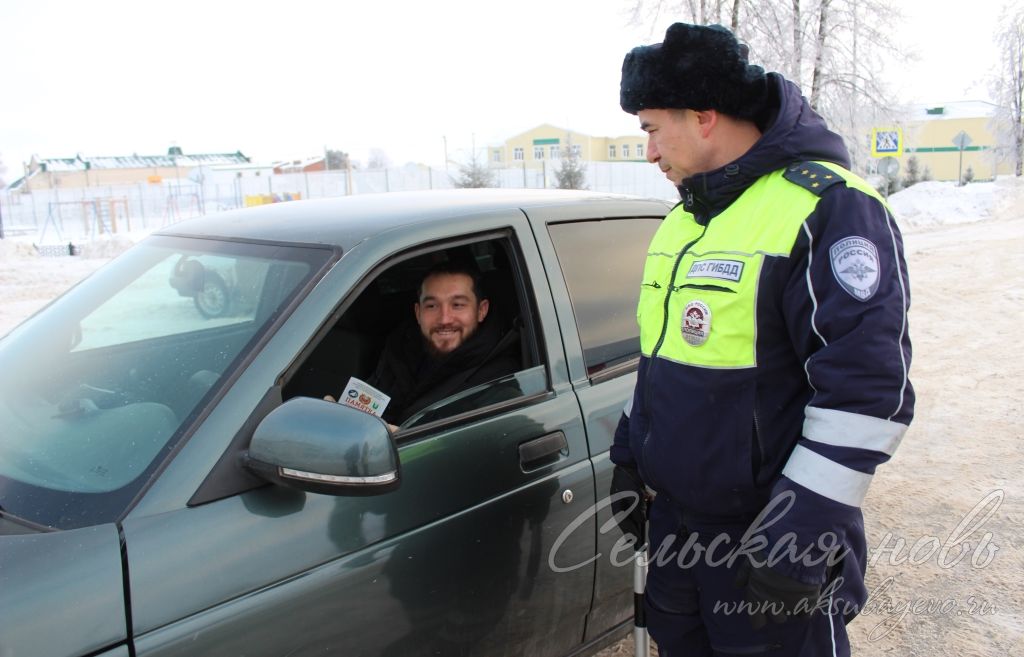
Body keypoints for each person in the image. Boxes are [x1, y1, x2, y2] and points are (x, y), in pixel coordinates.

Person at [608, 23, 914, 657]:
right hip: (678, 537)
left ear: (705, 116)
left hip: (768, 537)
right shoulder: (684, 221)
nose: (649, 151)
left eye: (651, 128)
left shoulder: (827, 208)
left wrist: (801, 529)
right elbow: (665, 361)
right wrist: (631, 459)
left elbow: (867, 392)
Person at [337, 261, 520, 428]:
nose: (444, 319)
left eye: (457, 305)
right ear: (418, 313)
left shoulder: (500, 381)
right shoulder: (399, 348)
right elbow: (371, 399)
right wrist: (341, 416)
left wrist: (401, 444)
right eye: (432, 306)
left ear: (481, 310)